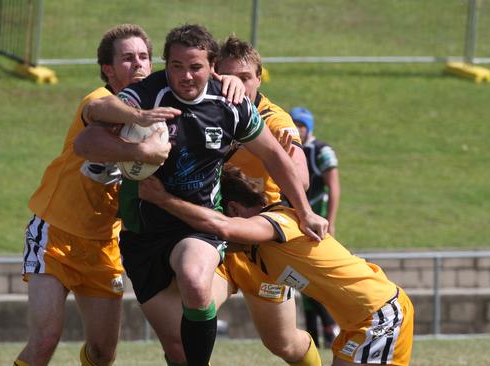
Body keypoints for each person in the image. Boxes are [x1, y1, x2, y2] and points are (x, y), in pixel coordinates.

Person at [84, 24, 328, 366]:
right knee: (179, 343)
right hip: (149, 234)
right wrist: (140, 145)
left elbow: (285, 165)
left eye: (195, 67)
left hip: (239, 235)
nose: (185, 75)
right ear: (165, 64)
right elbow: (91, 127)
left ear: (259, 78)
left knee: (281, 340)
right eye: (176, 66)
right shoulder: (147, 98)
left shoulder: (249, 109)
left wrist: (305, 212)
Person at [138, 167, 414, 366]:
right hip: (357, 324)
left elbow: (220, 227)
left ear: (233, 209)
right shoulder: (260, 252)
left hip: (381, 313)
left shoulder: (279, 221)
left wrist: (163, 199)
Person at [15, 24, 171, 366]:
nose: (139, 65)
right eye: (127, 59)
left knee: (102, 354)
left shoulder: (158, 118)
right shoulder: (100, 101)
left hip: (103, 245)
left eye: (144, 57)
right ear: (108, 69)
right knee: (44, 341)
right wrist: (140, 126)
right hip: (54, 234)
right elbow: (97, 113)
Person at [291, 106, 341, 348]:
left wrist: (330, 221)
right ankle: (313, 337)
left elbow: (334, 187)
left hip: (317, 222)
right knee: (304, 281)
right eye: (295, 125)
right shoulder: (289, 146)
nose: (298, 130)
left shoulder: (322, 151)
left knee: (317, 279)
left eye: (302, 126)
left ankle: (332, 326)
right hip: (297, 222)